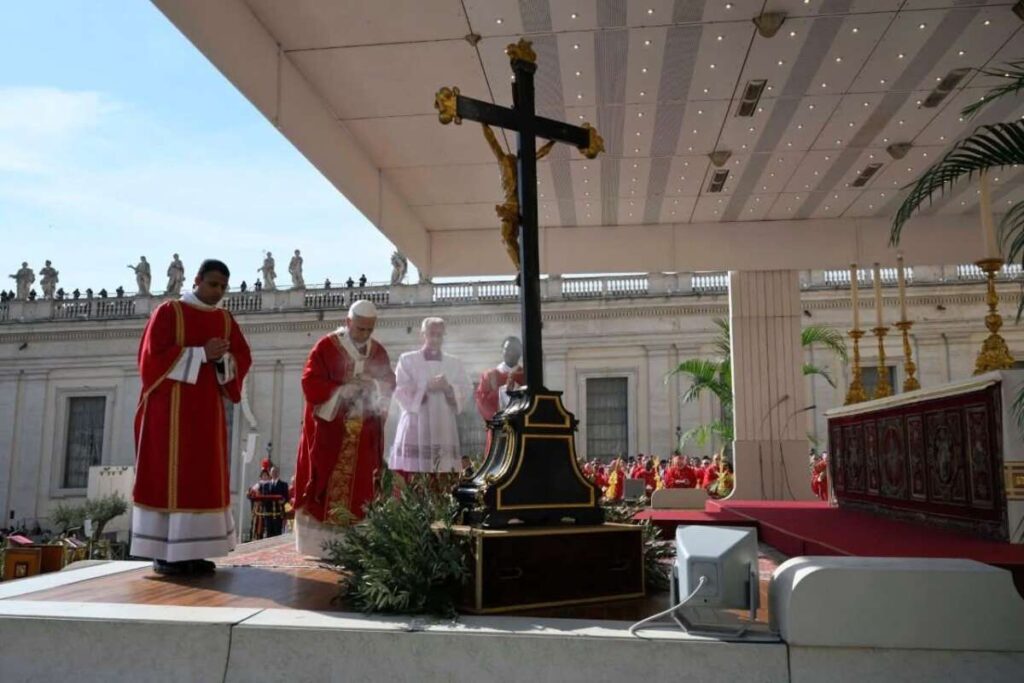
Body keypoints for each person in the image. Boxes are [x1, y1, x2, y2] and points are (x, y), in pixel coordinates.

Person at [131, 259, 252, 576]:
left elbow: (242, 356)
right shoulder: (169, 312)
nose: (218, 291)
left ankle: (194, 552)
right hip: (169, 413)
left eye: (223, 287)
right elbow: (151, 360)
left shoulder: (225, 319)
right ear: (197, 280)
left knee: (203, 477)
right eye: (213, 284)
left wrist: (223, 359)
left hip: (207, 412)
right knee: (172, 476)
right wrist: (200, 353)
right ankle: (165, 554)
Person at [293, 300, 396, 557]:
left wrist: (372, 386)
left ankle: (356, 546)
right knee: (325, 482)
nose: (364, 334)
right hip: (331, 434)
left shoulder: (378, 352)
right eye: (360, 328)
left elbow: (388, 383)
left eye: (369, 329)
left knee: (361, 488)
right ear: (348, 322)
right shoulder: (326, 347)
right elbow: (310, 382)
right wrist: (341, 391)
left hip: (363, 436)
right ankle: (320, 547)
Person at [389, 317, 470, 479]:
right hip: (416, 425)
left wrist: (449, 389)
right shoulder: (407, 359)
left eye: (439, 335)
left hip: (443, 428)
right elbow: (399, 389)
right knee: (413, 481)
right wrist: (425, 388)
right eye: (432, 334)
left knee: (443, 480)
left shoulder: (455, 363)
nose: (435, 339)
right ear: (422, 335)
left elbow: (466, 389)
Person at [474, 336, 524, 432]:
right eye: (507, 349)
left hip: (520, 428)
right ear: (502, 351)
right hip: (497, 429)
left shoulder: (526, 376)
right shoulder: (489, 376)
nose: (511, 353)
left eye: (514, 349)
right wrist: (504, 391)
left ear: (520, 353)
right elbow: (481, 401)